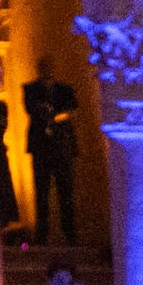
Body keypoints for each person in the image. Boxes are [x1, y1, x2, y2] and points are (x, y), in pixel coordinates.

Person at [16, 60, 82, 238]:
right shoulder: (30, 89)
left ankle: (69, 233)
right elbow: (32, 109)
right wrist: (54, 115)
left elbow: (72, 108)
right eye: (44, 67)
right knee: (41, 190)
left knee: (66, 190)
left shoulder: (65, 90)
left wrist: (52, 115)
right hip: (41, 146)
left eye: (49, 67)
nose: (48, 69)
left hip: (62, 145)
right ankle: (42, 234)